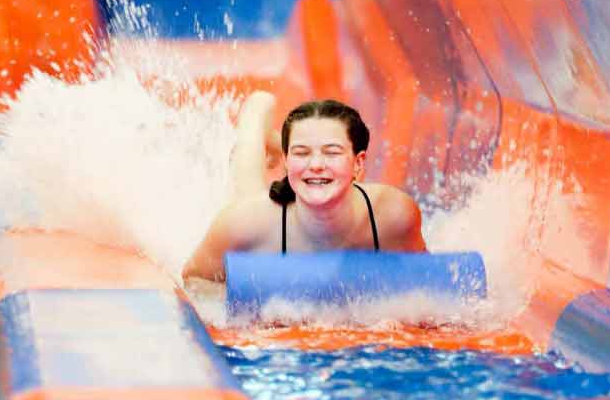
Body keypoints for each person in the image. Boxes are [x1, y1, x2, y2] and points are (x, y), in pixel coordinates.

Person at [182, 91, 427, 284]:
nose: (317, 165)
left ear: (358, 163)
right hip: (270, 218)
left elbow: (426, 281)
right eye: (301, 153)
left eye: (332, 153)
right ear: (287, 163)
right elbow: (194, 278)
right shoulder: (245, 222)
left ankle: (288, 144)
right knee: (246, 177)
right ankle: (258, 112)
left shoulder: (395, 215)